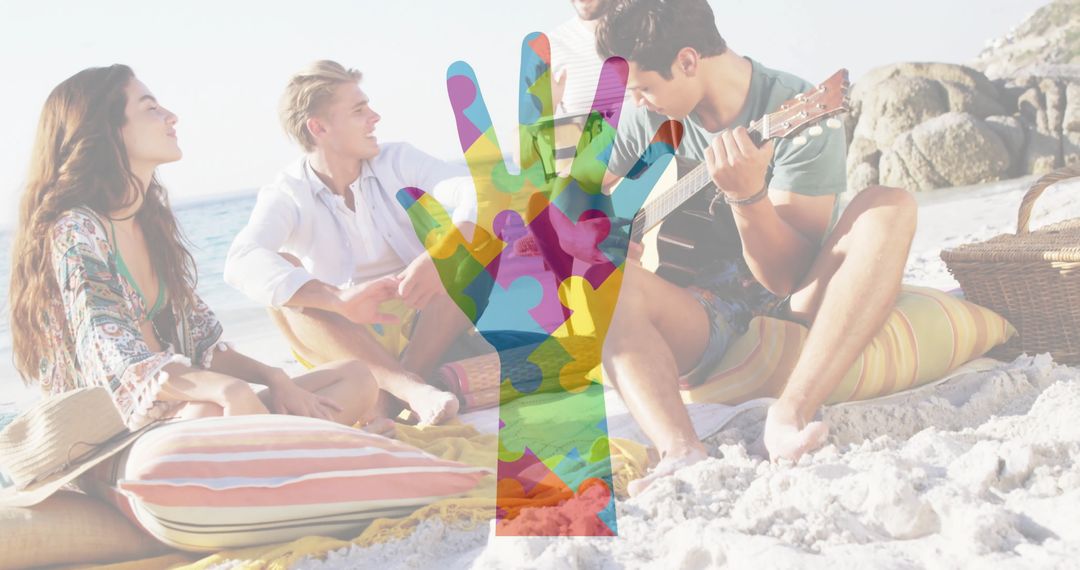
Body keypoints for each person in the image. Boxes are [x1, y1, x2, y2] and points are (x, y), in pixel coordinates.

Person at [588, 0, 918, 495]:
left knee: (890, 204)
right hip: (701, 307)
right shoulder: (650, 117)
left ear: (687, 61)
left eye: (644, 89)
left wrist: (748, 196)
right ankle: (680, 449)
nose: (637, 103)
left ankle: (790, 413)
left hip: (795, 293)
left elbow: (786, 281)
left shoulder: (795, 107)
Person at [8, 64, 389, 431]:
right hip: (116, 436)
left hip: (187, 416)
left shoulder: (149, 224)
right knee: (208, 412)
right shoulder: (77, 231)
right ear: (107, 130)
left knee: (355, 377)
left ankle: (282, 450)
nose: (171, 117)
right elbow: (119, 362)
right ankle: (304, 449)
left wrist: (273, 378)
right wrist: (227, 389)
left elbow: (205, 346)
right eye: (151, 108)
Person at [223, 61, 480, 426]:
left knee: (470, 252)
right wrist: (337, 298)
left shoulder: (398, 159)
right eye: (359, 110)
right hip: (344, 337)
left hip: (423, 325)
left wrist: (443, 254)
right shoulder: (288, 192)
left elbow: (475, 191)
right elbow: (240, 261)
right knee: (283, 277)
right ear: (320, 128)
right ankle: (408, 390)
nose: (374, 117)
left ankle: (391, 398)